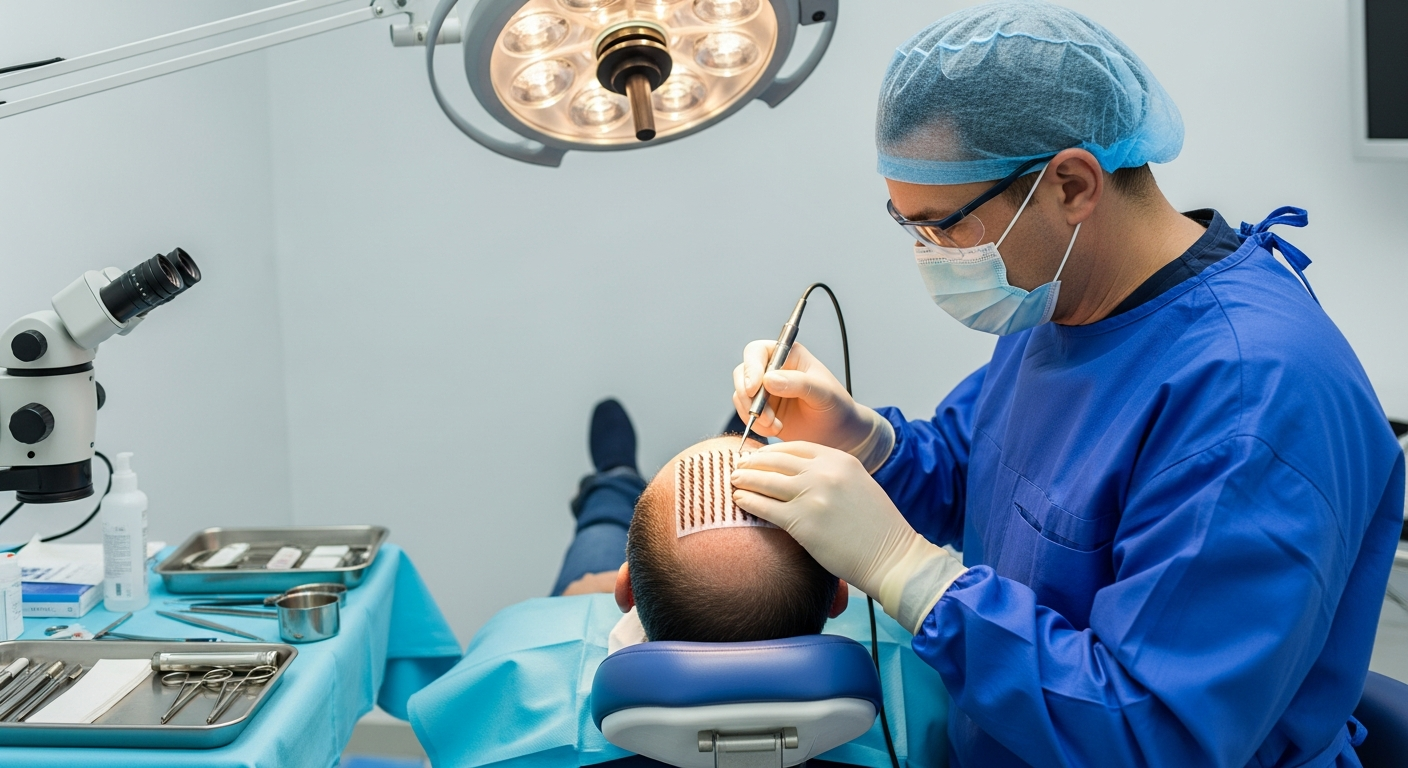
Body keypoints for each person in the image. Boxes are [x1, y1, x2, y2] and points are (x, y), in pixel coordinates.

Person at [727, 3, 1407, 768]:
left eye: (945, 226)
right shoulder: (1069, 302)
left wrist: (907, 573)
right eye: (909, 225)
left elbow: (1156, 738)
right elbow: (987, 477)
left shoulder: (1251, 401)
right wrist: (863, 440)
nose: (930, 254)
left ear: (1073, 184)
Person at [407, 400, 951, 768]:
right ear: (840, 595)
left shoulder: (513, 663)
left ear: (624, 593)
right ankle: (728, 442)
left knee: (598, 531)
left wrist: (577, 601)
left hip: (587, 600)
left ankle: (614, 479)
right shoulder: (927, 678)